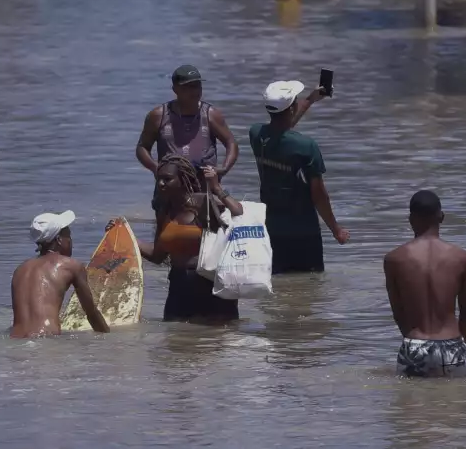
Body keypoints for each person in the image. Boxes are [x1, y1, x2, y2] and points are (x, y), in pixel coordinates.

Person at [112, 155, 243, 323]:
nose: (161, 184)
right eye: (159, 179)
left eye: (167, 179)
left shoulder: (203, 203)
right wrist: (124, 234)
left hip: (211, 285)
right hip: (178, 286)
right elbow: (157, 256)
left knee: (214, 343)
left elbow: (238, 213)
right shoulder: (164, 211)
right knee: (175, 340)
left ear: (183, 180)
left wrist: (216, 188)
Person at [249, 80, 348, 274]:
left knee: (278, 284)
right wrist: (336, 229)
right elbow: (319, 195)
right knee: (309, 287)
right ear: (292, 108)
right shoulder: (306, 146)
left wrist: (310, 100)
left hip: (272, 228)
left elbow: (280, 128)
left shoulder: (256, 135)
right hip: (303, 231)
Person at [384, 190, 466, 378]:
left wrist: (415, 344)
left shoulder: (394, 259)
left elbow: (398, 313)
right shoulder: (462, 258)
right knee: (459, 406)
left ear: (410, 219)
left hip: (415, 345)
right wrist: (459, 346)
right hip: (452, 345)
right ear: (441, 217)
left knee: (410, 406)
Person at [136, 65, 239, 212]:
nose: (195, 91)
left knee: (209, 228)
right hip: (169, 191)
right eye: (188, 87)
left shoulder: (211, 114)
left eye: (197, 86)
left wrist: (224, 169)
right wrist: (155, 168)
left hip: (204, 189)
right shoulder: (158, 115)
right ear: (175, 89)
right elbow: (142, 147)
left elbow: (231, 143)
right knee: (167, 233)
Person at [10, 210, 110, 338]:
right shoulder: (71, 266)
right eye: (68, 236)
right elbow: (91, 313)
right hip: (48, 339)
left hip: (15, 341)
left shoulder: (20, 269)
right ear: (59, 240)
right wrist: (109, 340)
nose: (71, 241)